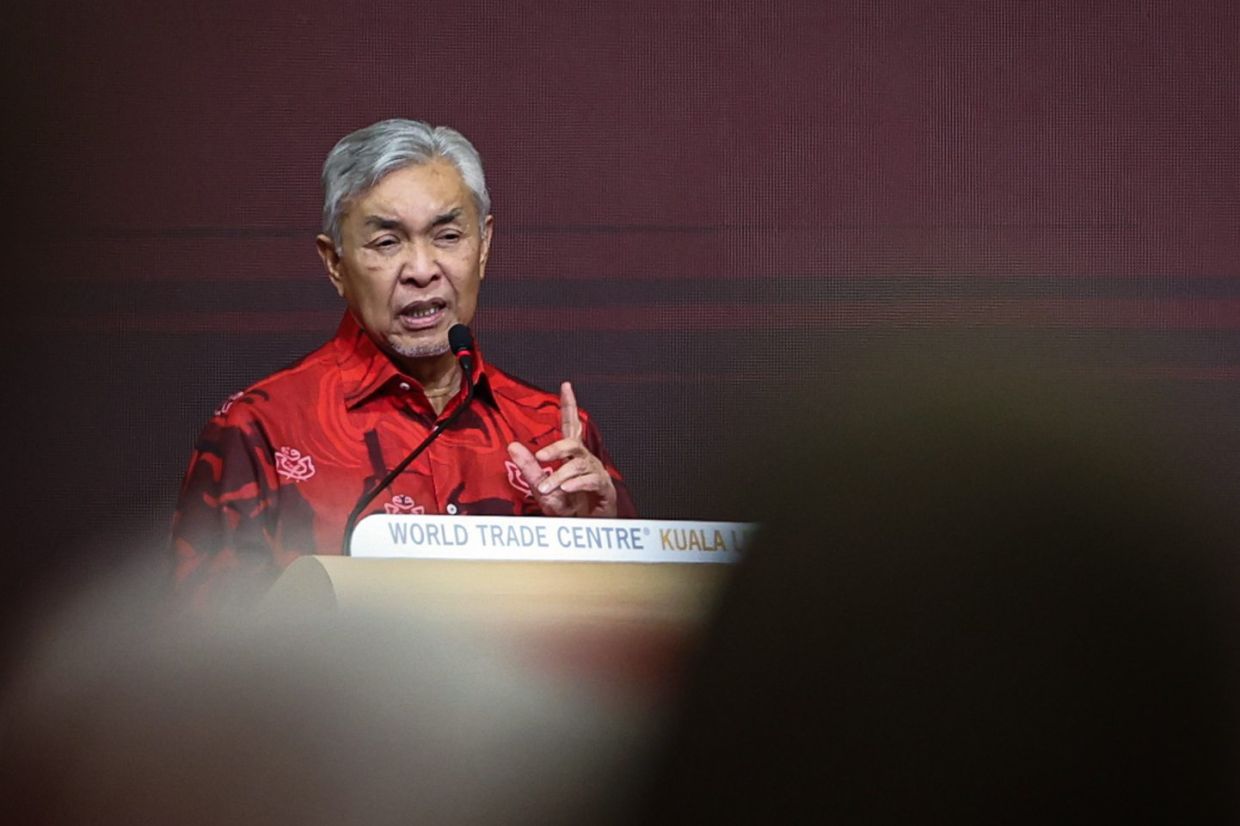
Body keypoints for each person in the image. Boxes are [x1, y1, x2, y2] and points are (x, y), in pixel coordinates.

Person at [171, 119, 635, 607]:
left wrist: (602, 542)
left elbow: (641, 629)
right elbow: (209, 642)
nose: (421, 270)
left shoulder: (553, 436)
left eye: (448, 236)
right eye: (387, 243)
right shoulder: (259, 430)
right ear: (334, 263)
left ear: (484, 246)